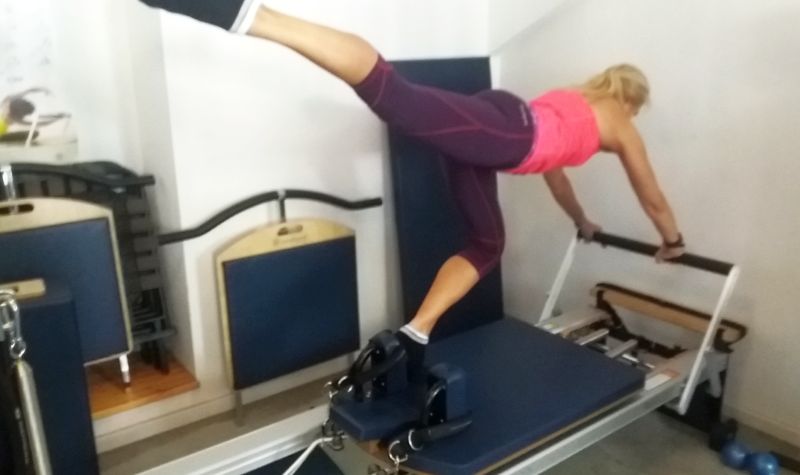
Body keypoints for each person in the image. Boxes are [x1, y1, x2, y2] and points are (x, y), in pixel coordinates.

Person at [137, 0, 687, 380]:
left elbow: (554, 171)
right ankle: (254, 15)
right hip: (504, 134)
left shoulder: (576, 102)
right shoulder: (619, 121)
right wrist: (673, 239)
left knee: (487, 243)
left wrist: (581, 221)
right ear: (633, 98)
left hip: (503, 123)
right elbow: (652, 194)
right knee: (390, 90)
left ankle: (418, 330)